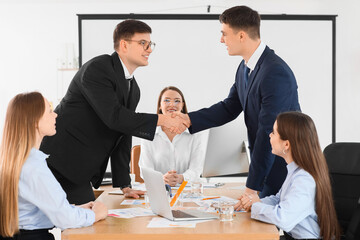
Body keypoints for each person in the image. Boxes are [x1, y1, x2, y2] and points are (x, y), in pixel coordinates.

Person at [40, 20, 187, 204]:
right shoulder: (98, 69)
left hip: (79, 172)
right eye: (143, 43)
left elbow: (124, 132)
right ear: (124, 45)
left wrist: (124, 184)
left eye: (151, 44)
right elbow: (114, 117)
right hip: (57, 163)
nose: (149, 49)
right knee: (36, 226)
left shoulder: (134, 89)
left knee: (87, 223)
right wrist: (163, 120)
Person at [176, 6, 301, 198]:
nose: (221, 40)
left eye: (224, 34)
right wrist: (188, 119)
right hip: (266, 169)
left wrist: (252, 188)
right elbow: (229, 107)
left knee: (275, 226)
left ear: (241, 35)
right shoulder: (245, 68)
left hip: (282, 171)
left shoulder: (275, 72)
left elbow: (267, 132)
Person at [0, 92, 108, 240]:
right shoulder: (33, 167)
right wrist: (96, 214)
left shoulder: (16, 160)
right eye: (49, 111)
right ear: (35, 121)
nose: (55, 115)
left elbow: (32, 214)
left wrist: (74, 209)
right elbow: (65, 219)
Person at [235, 112, 340, 240]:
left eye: (273, 132)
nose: (270, 135)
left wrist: (256, 205)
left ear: (286, 144)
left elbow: (283, 218)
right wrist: (252, 201)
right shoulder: (295, 170)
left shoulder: (304, 179)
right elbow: (279, 199)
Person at [139, 86, 206, 186]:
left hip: (188, 190)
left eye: (177, 101)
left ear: (182, 105)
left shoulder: (194, 135)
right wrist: (162, 179)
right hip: (159, 190)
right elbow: (146, 170)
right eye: (166, 100)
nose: (172, 104)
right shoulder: (148, 135)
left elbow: (196, 169)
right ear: (160, 106)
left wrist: (181, 178)